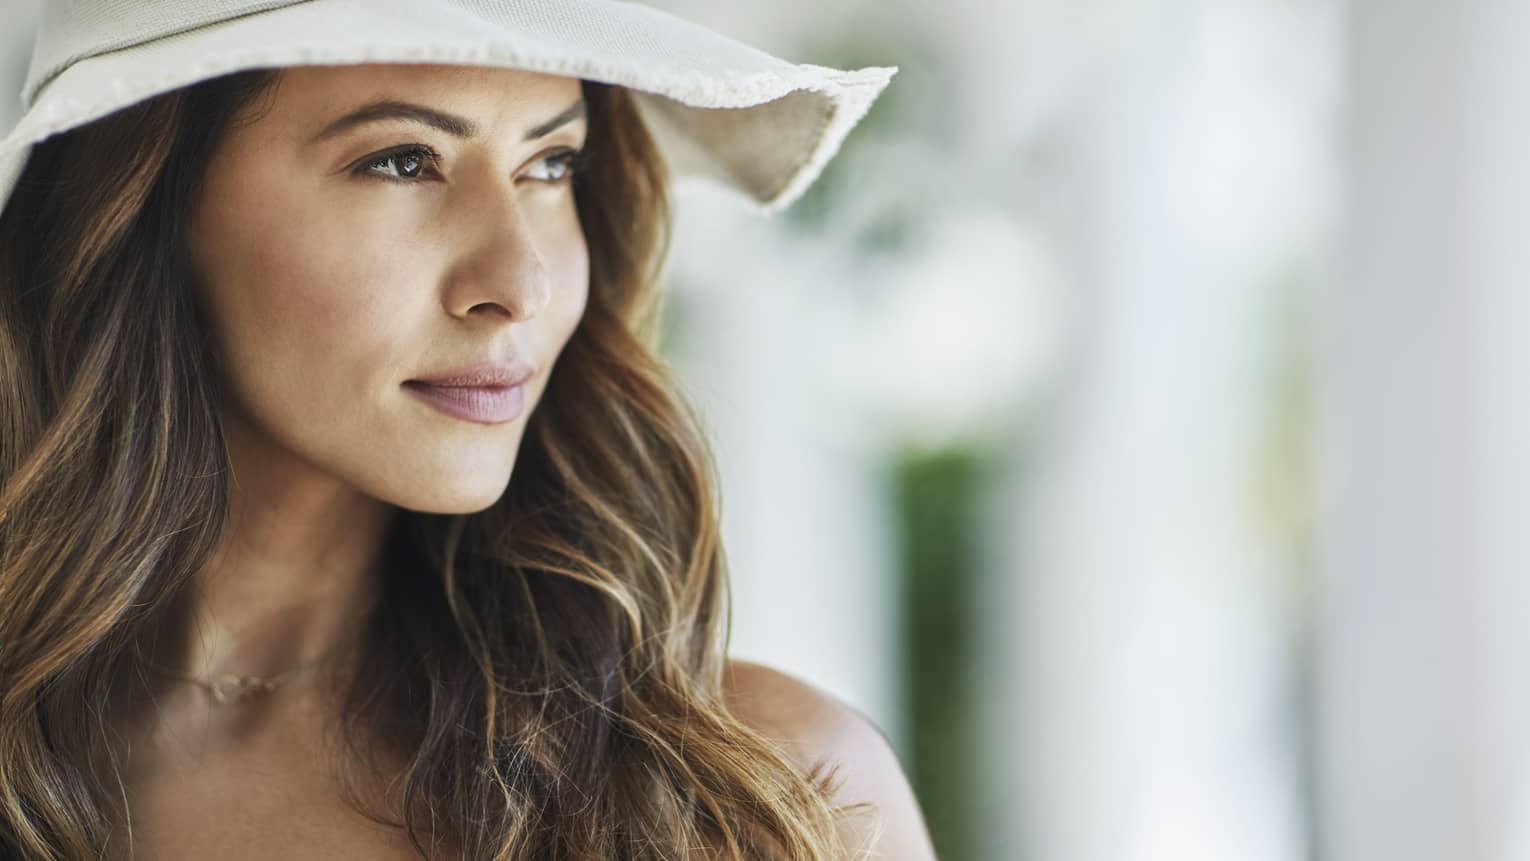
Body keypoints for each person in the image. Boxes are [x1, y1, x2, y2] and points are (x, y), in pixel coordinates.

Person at [0, 1, 936, 859]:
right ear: (148, 209)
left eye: (552, 163)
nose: (520, 283)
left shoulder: (762, 797)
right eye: (405, 160)